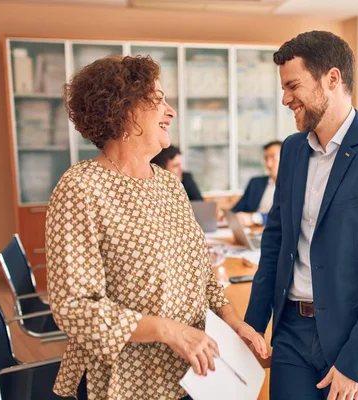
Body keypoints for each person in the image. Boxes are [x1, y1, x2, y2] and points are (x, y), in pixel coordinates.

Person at [45, 55, 267, 400]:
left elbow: (202, 275)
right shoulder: (81, 188)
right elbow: (74, 307)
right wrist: (169, 332)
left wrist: (231, 321)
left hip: (193, 373)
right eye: (158, 98)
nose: (170, 111)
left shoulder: (168, 184)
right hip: (127, 381)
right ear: (123, 109)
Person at [243, 31, 358, 400]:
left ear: (333, 79)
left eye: (293, 85)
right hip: (292, 331)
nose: (284, 99)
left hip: (357, 337)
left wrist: (357, 362)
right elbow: (275, 241)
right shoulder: (293, 151)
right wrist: (253, 323)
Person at [231, 140, 282, 226]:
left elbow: (283, 216)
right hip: (252, 231)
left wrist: (255, 218)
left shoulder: (294, 187)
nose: (268, 164)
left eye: (273, 158)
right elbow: (237, 208)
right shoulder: (255, 183)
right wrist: (227, 215)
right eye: (266, 159)